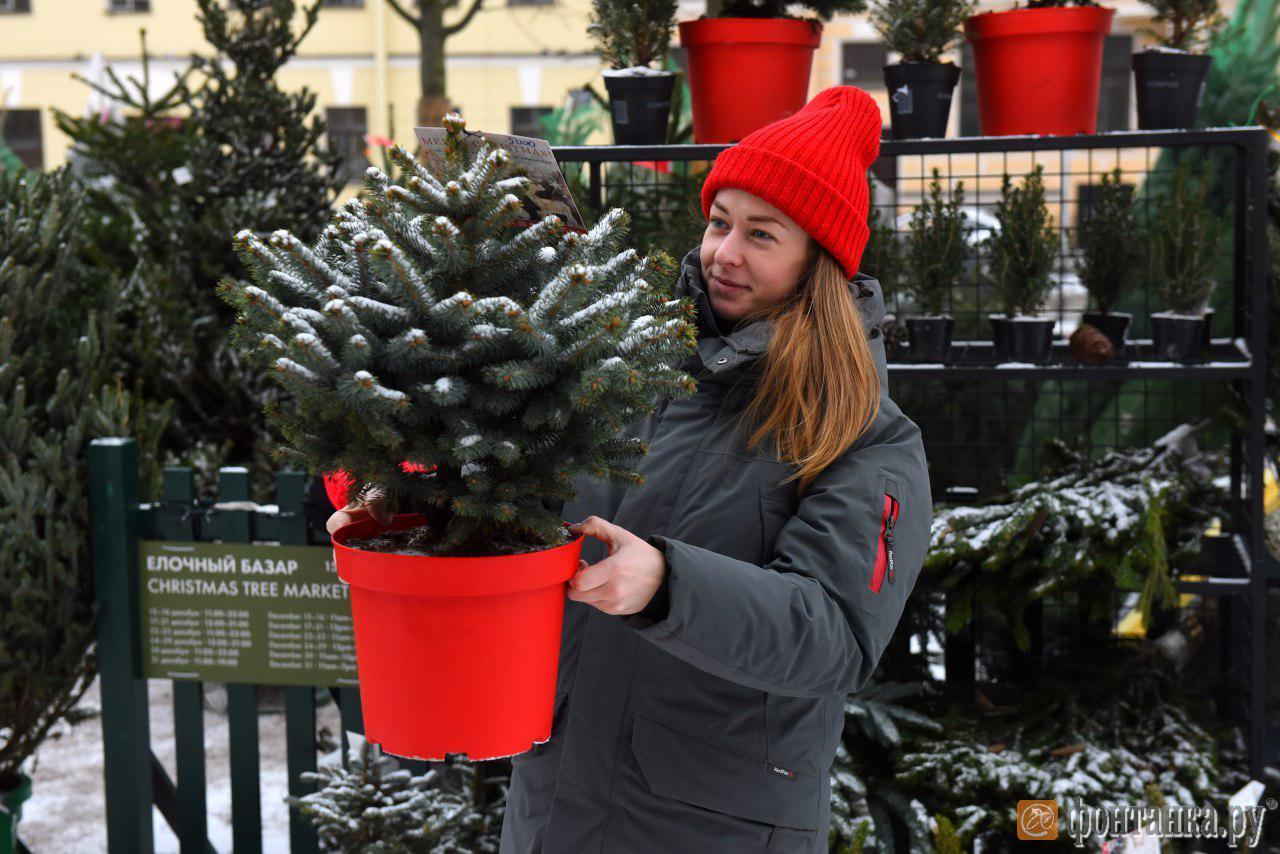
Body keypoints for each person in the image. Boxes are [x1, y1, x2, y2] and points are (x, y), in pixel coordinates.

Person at [329, 85, 932, 854]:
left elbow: (833, 636)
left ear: (819, 261)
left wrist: (667, 585)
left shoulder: (866, 436)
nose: (725, 253)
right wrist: (418, 501)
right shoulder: (631, 367)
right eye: (719, 223)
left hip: (713, 828)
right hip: (556, 808)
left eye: (762, 234)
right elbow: (531, 496)